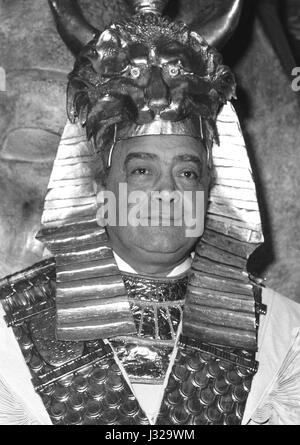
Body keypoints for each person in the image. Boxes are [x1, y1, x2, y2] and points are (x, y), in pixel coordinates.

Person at [0, 0, 300, 425]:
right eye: (142, 170)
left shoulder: (286, 337)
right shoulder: (5, 335)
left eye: (187, 172)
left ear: (209, 195)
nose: (166, 193)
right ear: (100, 192)